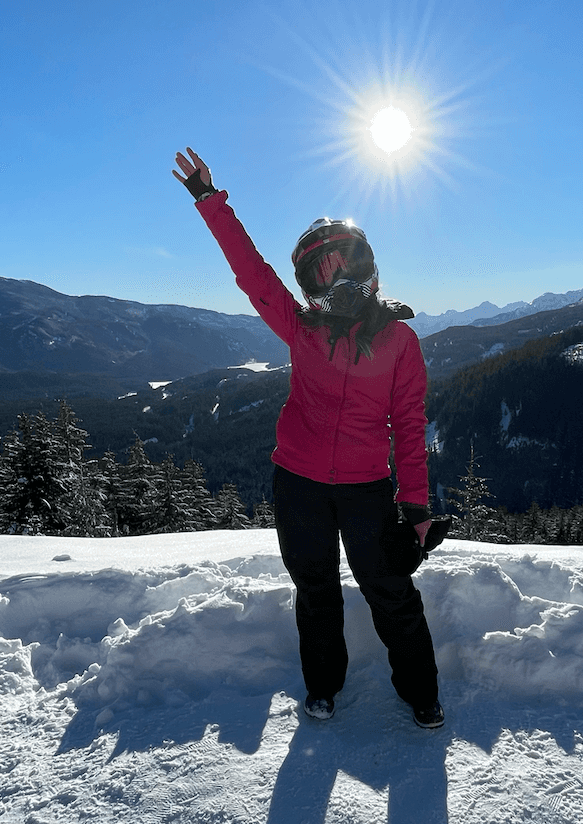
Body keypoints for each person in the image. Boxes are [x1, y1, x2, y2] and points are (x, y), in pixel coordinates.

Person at [172, 146, 445, 729]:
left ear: (368, 265)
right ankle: (323, 687)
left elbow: (411, 426)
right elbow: (252, 273)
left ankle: (422, 692)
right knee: (315, 589)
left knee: (389, 588)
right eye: (324, 271)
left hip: (367, 487)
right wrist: (209, 201)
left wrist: (415, 507)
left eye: (346, 264)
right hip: (297, 483)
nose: (340, 278)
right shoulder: (300, 328)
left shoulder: (400, 342)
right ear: (308, 282)